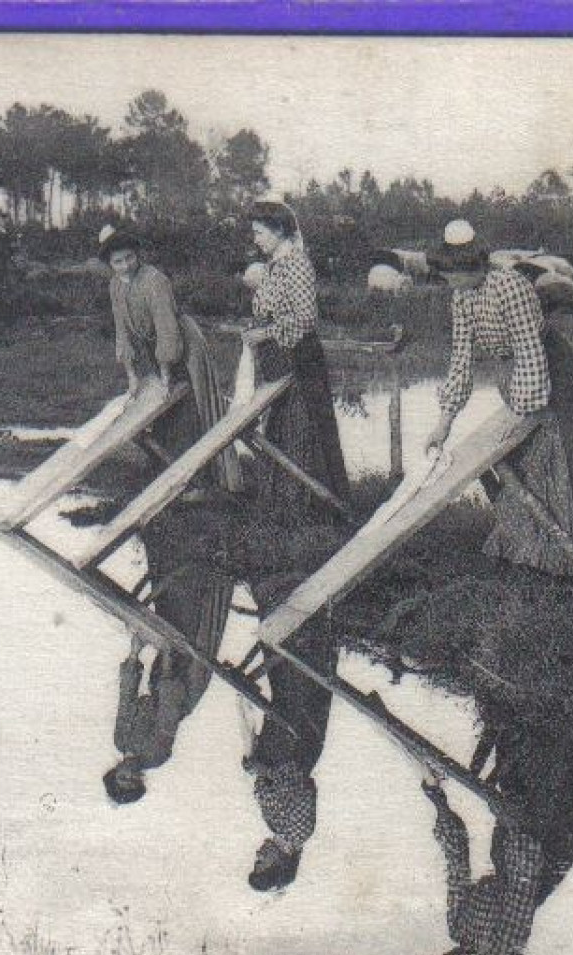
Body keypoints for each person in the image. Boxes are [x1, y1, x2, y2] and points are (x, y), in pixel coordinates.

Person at [98, 224, 234, 805]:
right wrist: (136, 377)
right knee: (183, 609)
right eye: (116, 261)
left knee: (184, 421)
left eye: (129, 256)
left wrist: (166, 371)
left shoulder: (154, 283)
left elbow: (166, 337)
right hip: (180, 671)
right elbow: (167, 695)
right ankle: (176, 489)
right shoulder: (154, 745)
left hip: (180, 355)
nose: (124, 266)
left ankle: (195, 481)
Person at [237, 199, 352, 892]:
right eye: (261, 864)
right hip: (291, 732)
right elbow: (292, 766)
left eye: (257, 229)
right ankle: (294, 501)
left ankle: (304, 501)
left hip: (291, 356)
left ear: (277, 232)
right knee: (285, 437)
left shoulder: (295, 266)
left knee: (299, 434)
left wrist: (263, 765)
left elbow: (300, 322)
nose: (259, 854)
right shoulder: (292, 827)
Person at [423, 219, 573, 580]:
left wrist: (522, 413)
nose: (446, 282)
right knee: (525, 467)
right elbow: (460, 359)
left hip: (553, 377)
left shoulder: (511, 285)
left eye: (448, 274)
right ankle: (534, 554)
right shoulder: (461, 297)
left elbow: (529, 351)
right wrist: (444, 422)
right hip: (515, 380)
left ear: (466, 266)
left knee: (559, 464)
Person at [418, 705, 573, 955]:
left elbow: (456, 864)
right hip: (547, 849)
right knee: (571, 745)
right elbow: (523, 887)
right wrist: (514, 821)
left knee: (519, 736)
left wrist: (439, 804)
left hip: (510, 839)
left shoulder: (457, 928)